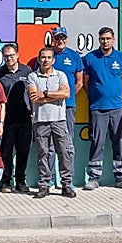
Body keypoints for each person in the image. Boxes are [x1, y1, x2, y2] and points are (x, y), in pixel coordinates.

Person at [82, 27, 122, 191]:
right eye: (102, 38)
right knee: (97, 142)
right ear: (99, 40)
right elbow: (85, 83)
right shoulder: (90, 58)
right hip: (97, 108)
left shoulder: (121, 58)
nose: (105, 41)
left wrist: (115, 94)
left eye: (108, 38)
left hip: (117, 108)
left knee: (119, 141)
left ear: (113, 39)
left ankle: (120, 177)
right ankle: (94, 177)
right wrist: (97, 95)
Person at [27, 47, 76, 199]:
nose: (46, 60)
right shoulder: (32, 76)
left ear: (53, 60)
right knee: (43, 153)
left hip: (59, 120)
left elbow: (66, 94)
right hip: (40, 120)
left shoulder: (60, 75)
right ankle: (44, 185)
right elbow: (34, 97)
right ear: (39, 59)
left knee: (64, 153)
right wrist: (56, 95)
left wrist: (46, 94)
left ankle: (66, 185)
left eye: (49, 57)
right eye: (43, 57)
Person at [0, 44, 33, 194]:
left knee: (23, 151)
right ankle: (6, 182)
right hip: (7, 119)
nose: (9, 58)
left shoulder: (27, 71)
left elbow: (32, 93)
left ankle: (20, 181)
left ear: (17, 55)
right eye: (6, 56)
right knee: (6, 152)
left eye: (11, 55)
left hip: (24, 118)